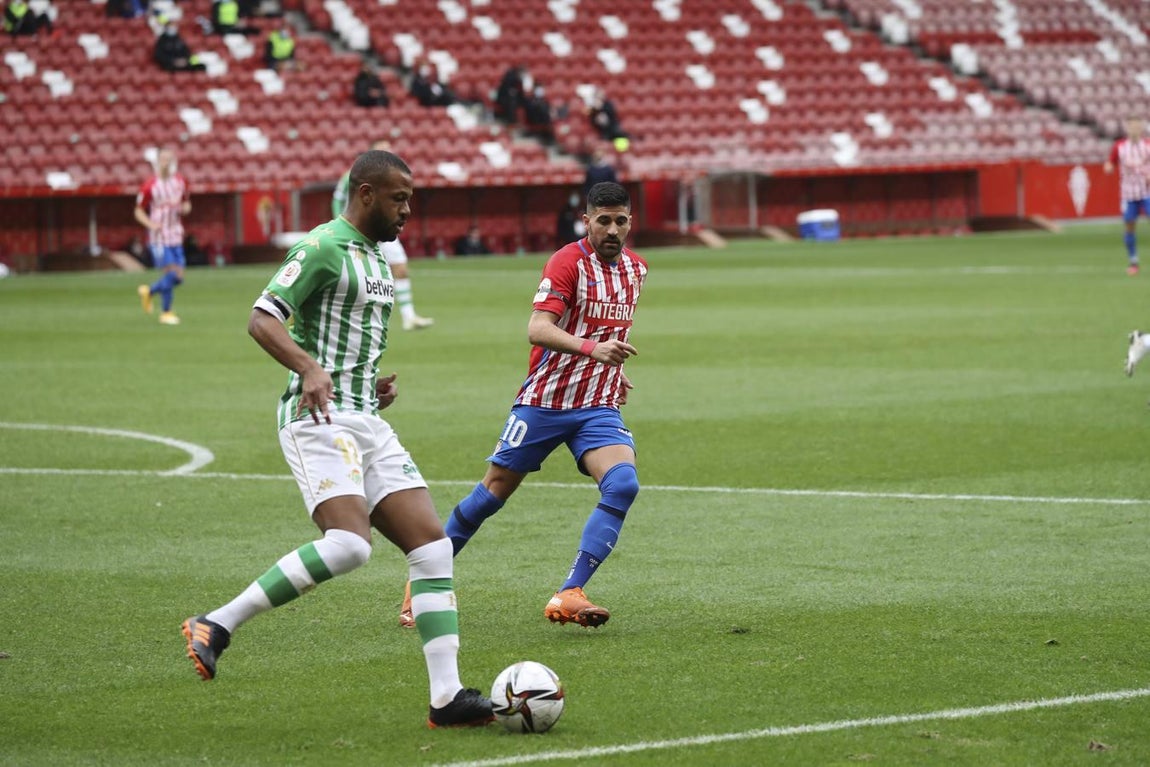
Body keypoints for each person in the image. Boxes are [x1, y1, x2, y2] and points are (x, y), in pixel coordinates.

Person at [180, 149, 494, 729]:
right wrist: (309, 369)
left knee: (432, 548)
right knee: (350, 545)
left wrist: (365, 385)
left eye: (411, 200)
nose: (407, 211)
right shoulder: (323, 246)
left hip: (363, 419)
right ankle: (216, 623)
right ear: (366, 192)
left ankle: (446, 698)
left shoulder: (375, 258)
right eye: (399, 198)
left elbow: (340, 342)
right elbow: (262, 317)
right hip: (316, 420)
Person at [398, 182, 647, 629]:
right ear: (586, 220)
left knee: (623, 484)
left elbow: (608, 326)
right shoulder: (567, 262)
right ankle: (424, 583)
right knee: (493, 493)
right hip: (545, 402)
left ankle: (570, 592)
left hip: (597, 403)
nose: (612, 229)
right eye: (603, 220)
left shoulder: (636, 270)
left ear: (631, 221)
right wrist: (593, 351)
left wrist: (613, 367)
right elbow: (538, 328)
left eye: (621, 220)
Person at [332, 139, 433, 330]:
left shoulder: (392, 179)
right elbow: (337, 199)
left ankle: (408, 316)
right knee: (356, 277)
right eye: (383, 150)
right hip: (358, 231)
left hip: (385, 229)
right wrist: (339, 222)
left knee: (401, 269)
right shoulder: (351, 176)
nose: (388, 152)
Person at [135, 147, 190, 325]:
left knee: (178, 277)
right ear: (158, 162)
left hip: (176, 234)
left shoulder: (180, 182)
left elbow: (187, 203)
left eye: (169, 159)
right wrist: (151, 224)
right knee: (171, 273)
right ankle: (166, 312)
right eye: (163, 160)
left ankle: (149, 291)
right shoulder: (150, 185)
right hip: (159, 237)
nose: (166, 163)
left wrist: (185, 209)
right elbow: (138, 211)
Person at [1104, 117, 1150, 276]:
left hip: (1147, 192)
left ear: (1141, 127)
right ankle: (1133, 261)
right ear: (1127, 128)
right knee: (1129, 226)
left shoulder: (1147, 145)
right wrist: (1108, 167)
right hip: (1128, 193)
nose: (1134, 129)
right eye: (1131, 126)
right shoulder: (1120, 146)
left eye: (1137, 125)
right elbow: (1110, 163)